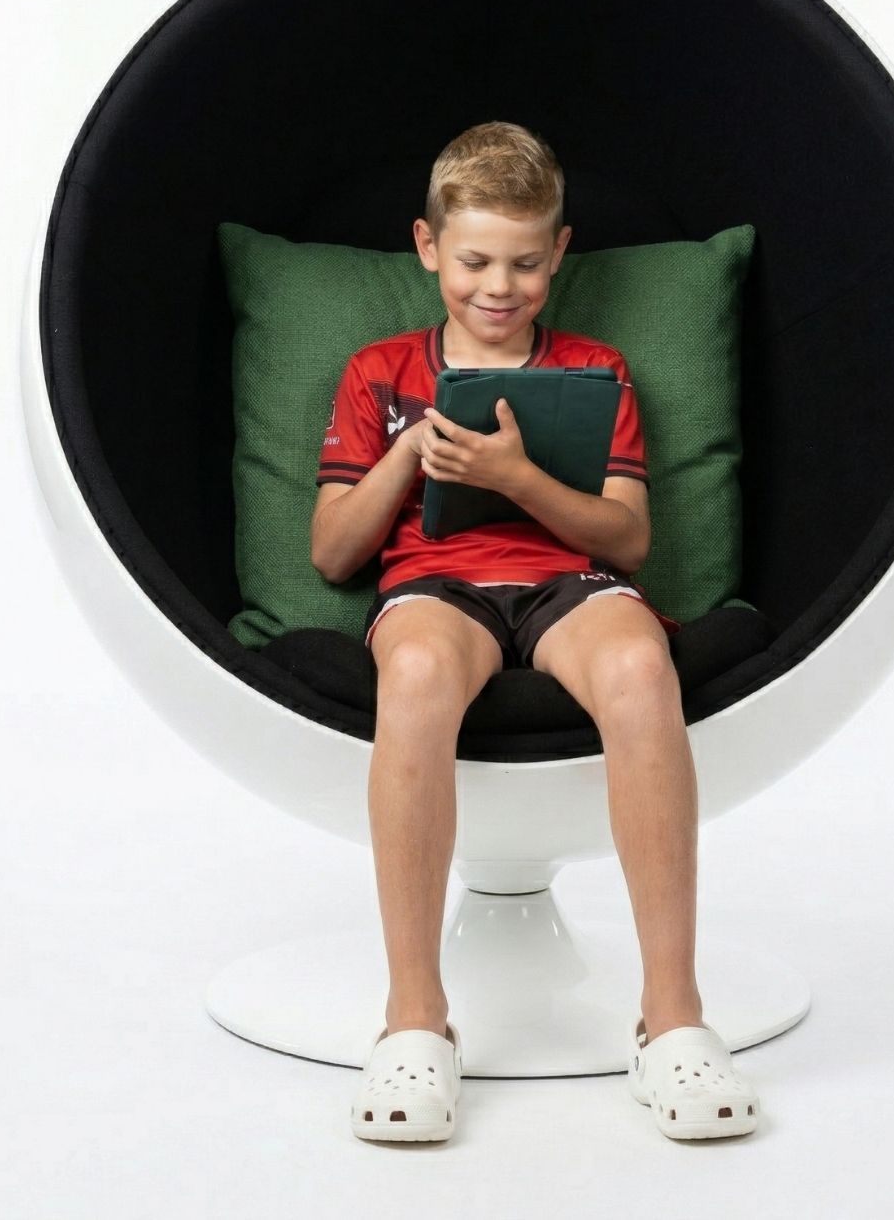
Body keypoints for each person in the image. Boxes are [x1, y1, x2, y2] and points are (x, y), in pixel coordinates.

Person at [313, 121, 759, 1144]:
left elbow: (629, 539)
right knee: (415, 673)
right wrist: (411, 453)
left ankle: (673, 1018)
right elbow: (334, 553)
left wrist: (515, 476)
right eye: (474, 261)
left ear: (559, 252)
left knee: (640, 665)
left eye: (523, 262)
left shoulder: (595, 370)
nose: (498, 286)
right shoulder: (378, 371)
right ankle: (414, 1019)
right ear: (429, 247)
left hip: (569, 581)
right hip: (436, 588)